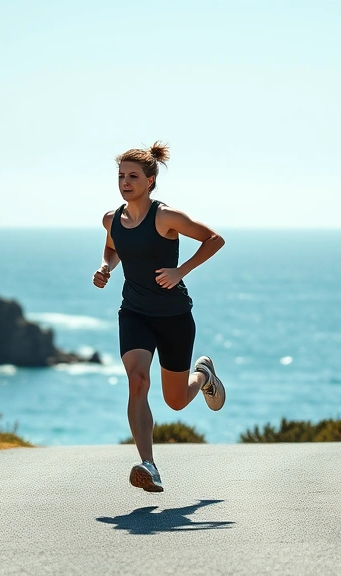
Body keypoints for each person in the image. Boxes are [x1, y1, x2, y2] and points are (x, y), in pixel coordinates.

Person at [93, 141, 226, 492]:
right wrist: (105, 267)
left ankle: (204, 374)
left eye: (133, 176)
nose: (125, 182)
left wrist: (182, 271)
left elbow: (214, 239)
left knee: (176, 400)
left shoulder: (166, 216)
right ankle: (148, 465)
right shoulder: (112, 219)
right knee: (138, 381)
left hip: (173, 316)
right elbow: (112, 248)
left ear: (150, 180)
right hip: (134, 312)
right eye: (121, 175)